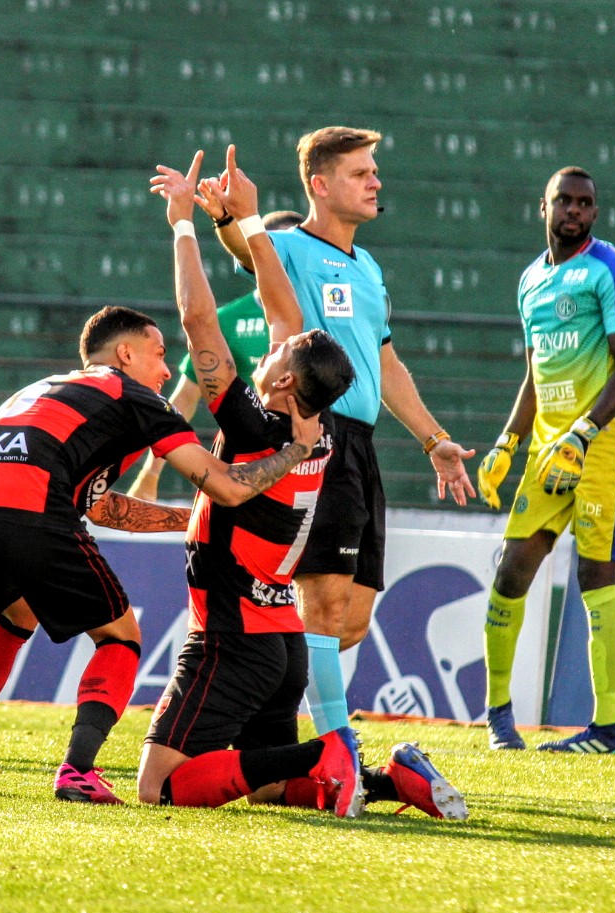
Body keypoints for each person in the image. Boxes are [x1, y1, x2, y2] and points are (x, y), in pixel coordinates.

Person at [136, 148, 467, 821]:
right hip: (278, 642)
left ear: (285, 379)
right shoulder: (309, 435)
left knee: (160, 785)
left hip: (232, 639)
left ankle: (332, 750)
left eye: (278, 354)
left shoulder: (256, 428)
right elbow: (283, 310)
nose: (270, 345)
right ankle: (377, 779)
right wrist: (252, 221)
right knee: (266, 779)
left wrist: (182, 226)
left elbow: (200, 322)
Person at [0, 304, 323, 803]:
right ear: (125, 353)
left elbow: (104, 508)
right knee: (121, 636)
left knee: (15, 617)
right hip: (31, 511)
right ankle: (78, 773)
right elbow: (226, 486)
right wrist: (296, 451)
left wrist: (191, 521)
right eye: (158, 355)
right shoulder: (129, 394)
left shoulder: (45, 391)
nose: (163, 370)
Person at [209, 131, 477, 736]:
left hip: (360, 445)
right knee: (324, 607)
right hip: (316, 434)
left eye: (374, 171)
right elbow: (246, 249)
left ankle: (265, 715)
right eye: (361, 173)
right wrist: (231, 215)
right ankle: (335, 746)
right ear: (319, 185)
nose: (376, 181)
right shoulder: (289, 247)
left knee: (350, 619)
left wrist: (436, 442)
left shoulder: (371, 269)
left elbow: (385, 366)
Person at [477, 166, 615, 754]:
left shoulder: (613, 271)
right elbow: (535, 373)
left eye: (585, 203)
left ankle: (609, 729)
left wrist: (582, 432)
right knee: (511, 571)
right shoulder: (529, 282)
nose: (574, 211)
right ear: (542, 207)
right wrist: (507, 442)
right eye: (564, 201)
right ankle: (499, 716)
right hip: (551, 447)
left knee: (595, 575)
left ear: (594, 213)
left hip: (606, 439)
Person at [129, 210, 304, 503]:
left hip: (314, 461)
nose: (288, 262)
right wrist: (150, 474)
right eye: (278, 251)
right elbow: (184, 398)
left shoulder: (328, 316)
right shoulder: (228, 320)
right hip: (250, 468)